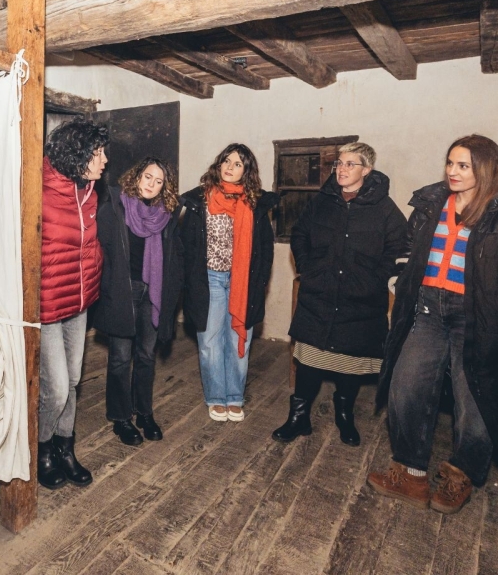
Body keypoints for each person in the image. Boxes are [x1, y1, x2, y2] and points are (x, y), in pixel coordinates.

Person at [368, 134, 498, 514]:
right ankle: (410, 473)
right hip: (426, 309)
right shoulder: (430, 204)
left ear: (485, 169)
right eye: (450, 163)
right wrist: (401, 279)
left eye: (463, 166)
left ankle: (461, 475)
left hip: (479, 316)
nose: (452, 172)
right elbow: (407, 248)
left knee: (474, 399)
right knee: (406, 386)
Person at [272, 142, 406, 446]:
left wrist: (372, 281)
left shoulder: (385, 209)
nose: (341, 170)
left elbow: (398, 251)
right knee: (308, 360)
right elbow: (300, 234)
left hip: (360, 300)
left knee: (351, 362)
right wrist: (308, 268)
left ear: (367, 170)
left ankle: (344, 414)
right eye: (339, 164)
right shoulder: (322, 201)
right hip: (319, 294)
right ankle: (298, 417)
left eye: (350, 164)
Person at [181, 143, 278, 422]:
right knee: (210, 341)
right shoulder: (200, 200)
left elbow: (265, 250)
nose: (230, 167)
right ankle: (215, 397)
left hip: (242, 281)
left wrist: (259, 283)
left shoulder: (255, 204)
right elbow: (186, 245)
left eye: (238, 163)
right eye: (226, 160)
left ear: (247, 170)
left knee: (239, 339)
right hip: (209, 278)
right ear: (218, 164)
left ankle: (234, 396)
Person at [38, 119, 109, 490]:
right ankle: (42, 447)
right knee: (57, 388)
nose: (105, 161)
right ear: (77, 154)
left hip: (79, 302)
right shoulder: (39, 191)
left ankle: (66, 448)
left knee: (76, 380)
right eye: (98, 154)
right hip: (47, 304)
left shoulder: (90, 192)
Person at [93, 157, 184, 446]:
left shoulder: (166, 216)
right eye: (148, 177)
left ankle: (143, 411)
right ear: (137, 176)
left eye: (159, 181)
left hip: (152, 293)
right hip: (122, 291)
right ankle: (121, 418)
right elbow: (100, 252)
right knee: (120, 358)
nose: (152, 185)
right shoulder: (115, 208)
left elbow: (174, 259)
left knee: (146, 356)